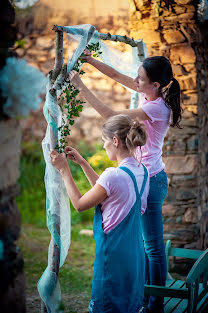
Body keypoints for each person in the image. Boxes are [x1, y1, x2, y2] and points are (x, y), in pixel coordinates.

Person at [68, 55, 182, 313]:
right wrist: (89, 59)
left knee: (152, 247)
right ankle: (141, 297)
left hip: (150, 180)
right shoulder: (149, 93)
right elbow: (118, 76)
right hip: (141, 175)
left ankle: (155, 305)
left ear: (154, 85)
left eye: (140, 78)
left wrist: (81, 87)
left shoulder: (156, 108)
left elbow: (110, 115)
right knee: (142, 243)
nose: (135, 81)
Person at [50, 114, 149, 313]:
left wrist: (64, 170)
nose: (103, 146)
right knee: (129, 307)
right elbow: (108, 192)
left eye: (104, 141)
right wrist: (84, 163)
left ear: (115, 141)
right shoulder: (143, 171)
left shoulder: (113, 175)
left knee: (106, 307)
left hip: (113, 257)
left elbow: (79, 204)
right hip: (135, 256)